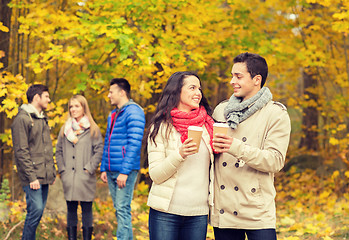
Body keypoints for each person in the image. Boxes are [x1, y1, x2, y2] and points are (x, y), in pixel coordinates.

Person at [211, 52, 291, 240]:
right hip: (225, 210)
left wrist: (235, 147)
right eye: (232, 75)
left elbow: (275, 161)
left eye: (238, 76)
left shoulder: (275, 114)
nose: (232, 81)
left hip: (257, 210)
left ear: (257, 79)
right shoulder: (222, 110)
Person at [146, 71, 215, 240]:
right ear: (177, 91)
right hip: (166, 212)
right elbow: (155, 175)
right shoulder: (161, 127)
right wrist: (179, 154)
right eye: (192, 87)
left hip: (198, 214)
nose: (198, 93)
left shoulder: (208, 125)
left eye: (199, 88)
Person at [100, 78, 145, 240]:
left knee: (122, 208)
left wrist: (124, 172)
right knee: (118, 209)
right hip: (111, 169)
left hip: (124, 171)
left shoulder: (135, 112)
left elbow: (134, 144)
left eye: (111, 92)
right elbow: (108, 141)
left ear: (122, 92)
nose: (108, 95)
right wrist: (103, 167)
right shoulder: (113, 114)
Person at [11, 84, 56, 240]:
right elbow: (21, 151)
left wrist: (51, 172)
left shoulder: (42, 118)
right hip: (32, 177)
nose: (49, 100)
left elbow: (45, 148)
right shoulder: (22, 119)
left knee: (39, 211)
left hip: (43, 175)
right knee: (35, 210)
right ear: (37, 97)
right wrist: (32, 177)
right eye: (46, 96)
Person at [55, 95, 103, 240]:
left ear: (83, 108)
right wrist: (62, 169)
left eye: (77, 106)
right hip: (69, 176)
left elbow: (99, 150)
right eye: (71, 106)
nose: (73, 109)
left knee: (87, 210)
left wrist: (89, 168)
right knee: (71, 210)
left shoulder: (93, 129)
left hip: (85, 177)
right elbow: (58, 151)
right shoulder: (65, 129)